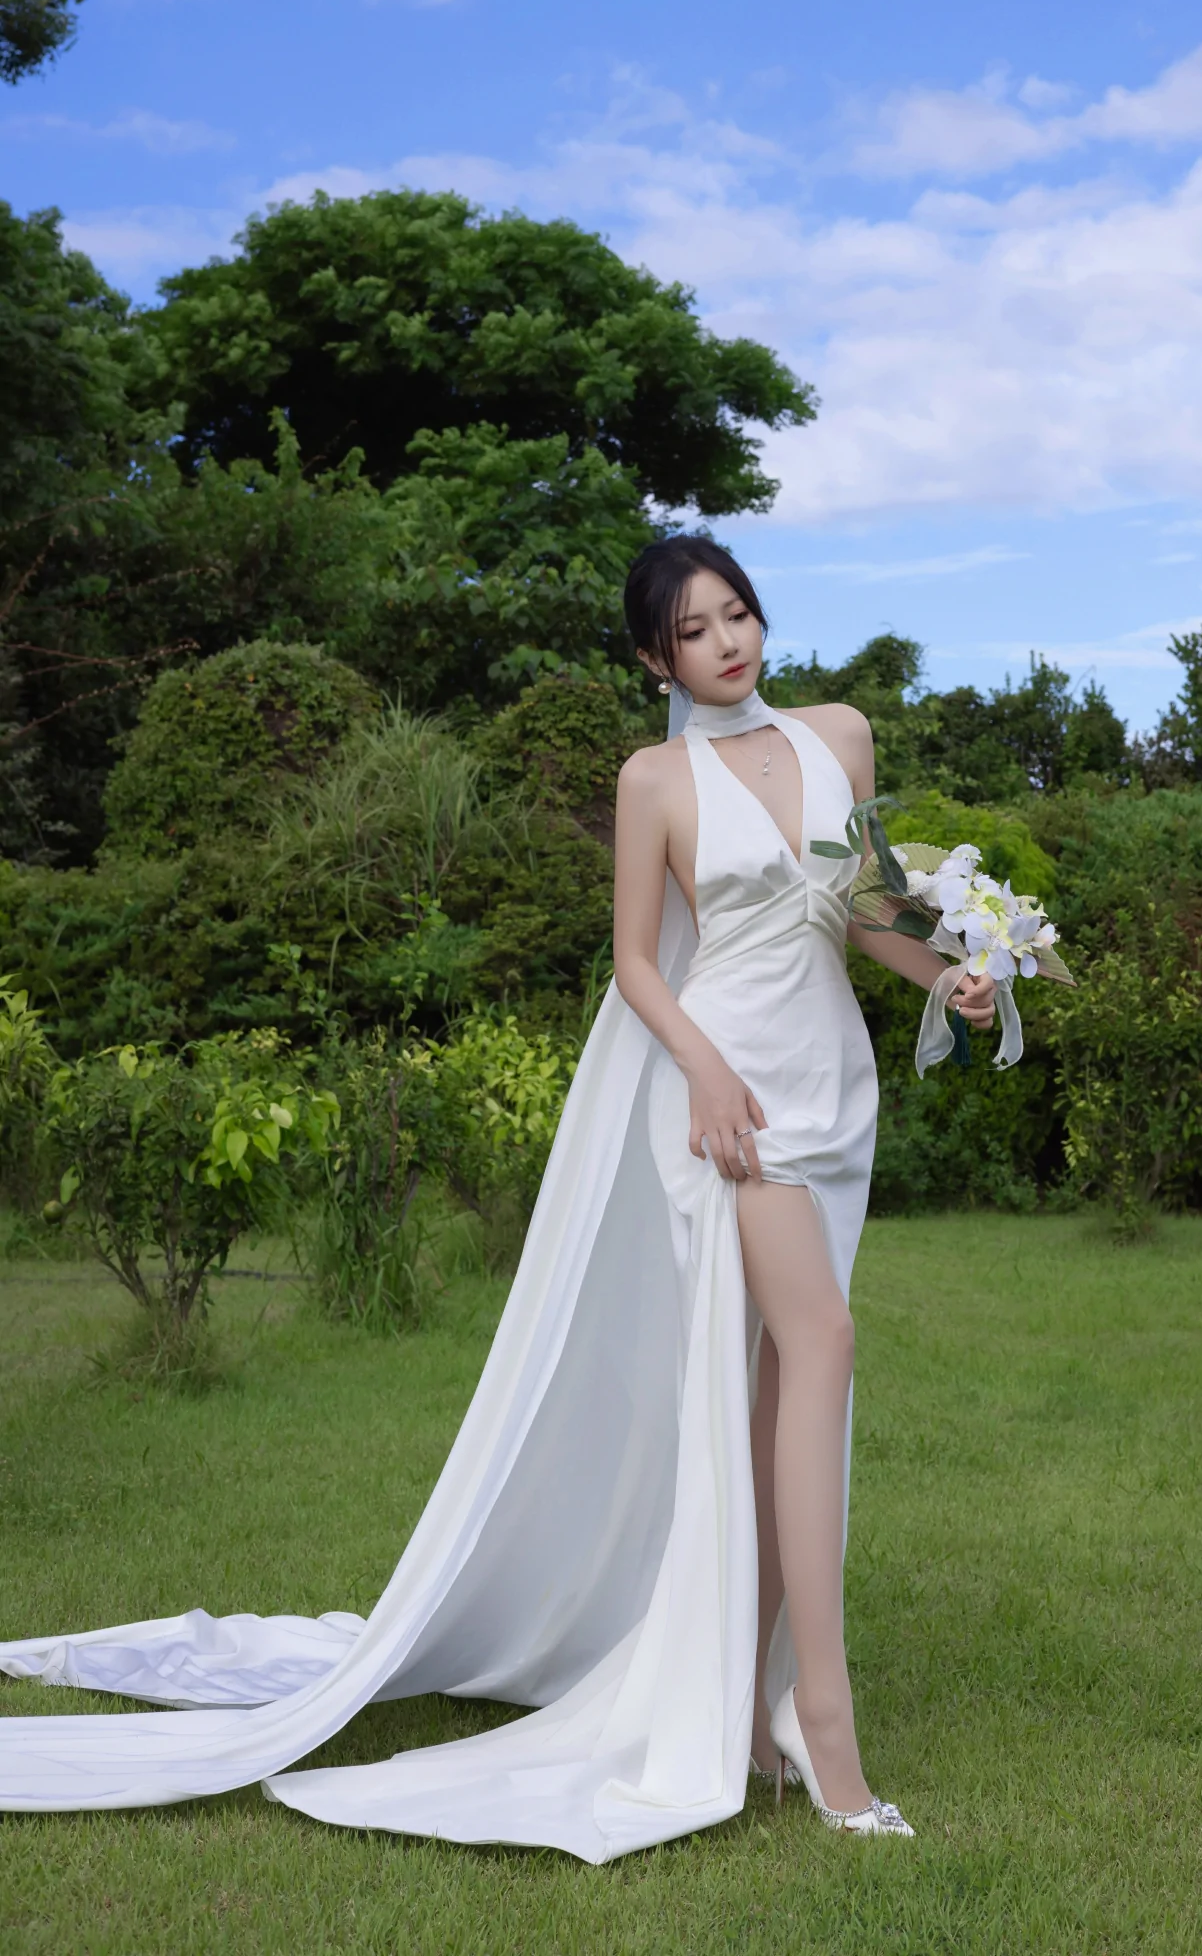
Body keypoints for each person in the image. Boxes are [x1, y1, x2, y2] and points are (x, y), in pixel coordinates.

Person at [0, 535, 994, 1858]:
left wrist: (953, 979)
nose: (726, 643)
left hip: (833, 1085)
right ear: (655, 659)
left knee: (778, 1394)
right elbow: (638, 964)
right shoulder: (654, 780)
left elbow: (866, 912)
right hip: (731, 1098)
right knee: (826, 1345)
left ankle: (757, 1715)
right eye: (693, 632)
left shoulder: (841, 736)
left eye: (738, 614)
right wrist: (703, 1071)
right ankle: (826, 1724)